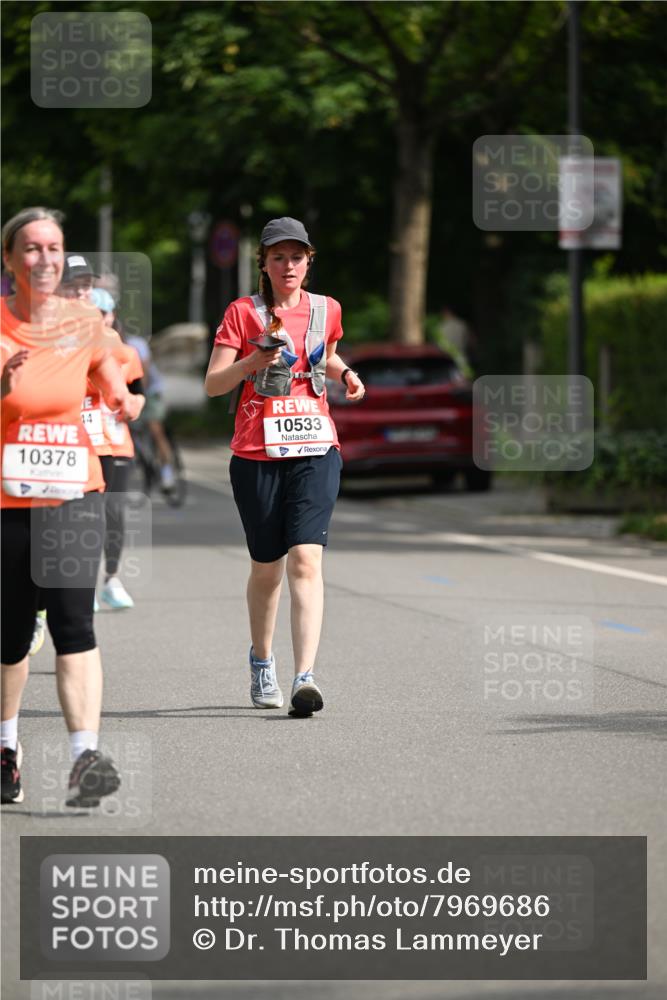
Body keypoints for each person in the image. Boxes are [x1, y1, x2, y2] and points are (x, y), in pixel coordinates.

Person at [0, 207, 141, 807]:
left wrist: (125, 404)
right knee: (7, 636)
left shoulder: (85, 322)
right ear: (10, 260)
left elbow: (115, 386)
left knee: (74, 627)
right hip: (6, 499)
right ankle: (6, 751)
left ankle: (86, 757)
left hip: (72, 493)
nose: (46, 259)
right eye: (31, 248)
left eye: (54, 248)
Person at [205, 217, 364, 716]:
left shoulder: (327, 309)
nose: (288, 265)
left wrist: (347, 373)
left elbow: (324, 358)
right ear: (265, 264)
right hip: (256, 454)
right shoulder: (242, 313)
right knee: (266, 568)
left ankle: (305, 677)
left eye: (297, 257)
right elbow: (214, 384)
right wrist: (253, 361)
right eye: (279, 257)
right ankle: (261, 659)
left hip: (316, 447)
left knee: (306, 559)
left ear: (308, 262)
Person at [87, 287, 145, 609]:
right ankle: (85, 582)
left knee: (113, 513)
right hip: (85, 444)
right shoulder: (73, 348)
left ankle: (111, 578)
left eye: (104, 313)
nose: (99, 319)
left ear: (112, 316)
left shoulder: (127, 354)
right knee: (86, 515)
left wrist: (133, 403)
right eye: (92, 313)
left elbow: (140, 393)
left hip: (117, 442)